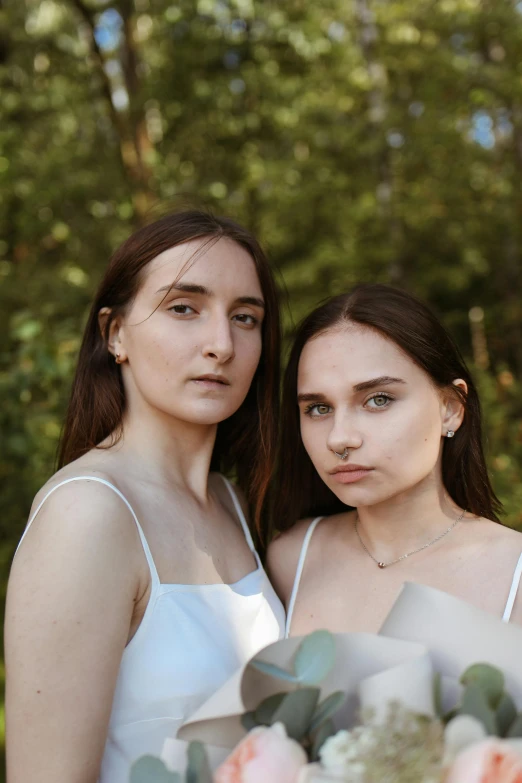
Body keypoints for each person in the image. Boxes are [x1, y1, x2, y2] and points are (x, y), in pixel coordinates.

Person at [5, 210, 285, 783]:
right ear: (115, 334)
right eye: (185, 308)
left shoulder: (232, 501)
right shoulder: (88, 513)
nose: (221, 344)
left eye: (246, 317)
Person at [267, 283, 522, 638]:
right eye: (318, 408)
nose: (339, 438)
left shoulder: (514, 573)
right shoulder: (289, 559)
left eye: (379, 400)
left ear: (450, 408)